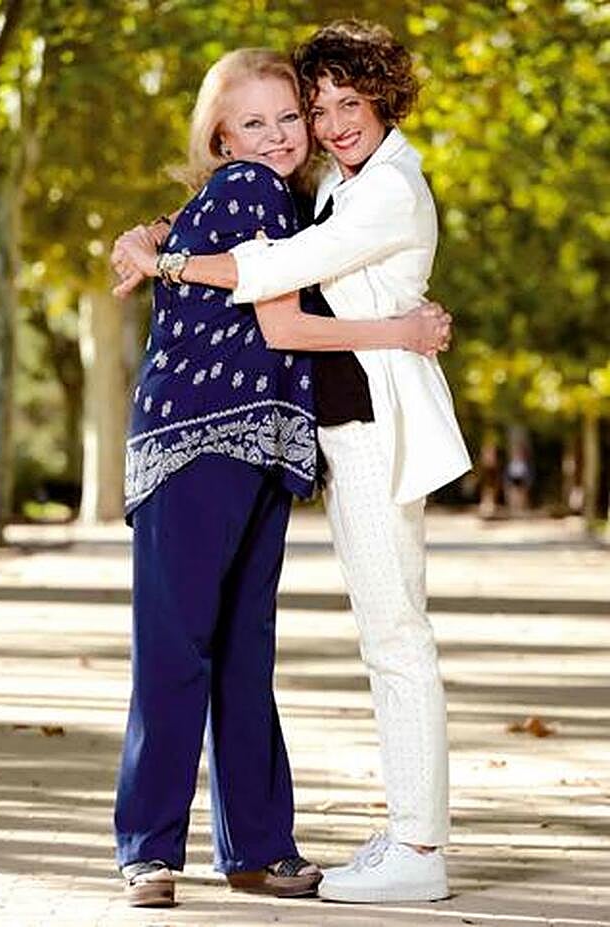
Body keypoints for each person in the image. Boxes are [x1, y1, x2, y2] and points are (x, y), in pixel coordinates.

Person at [114, 20, 472, 905]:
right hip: (197, 437)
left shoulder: (341, 193)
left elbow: (272, 263)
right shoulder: (264, 191)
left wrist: (159, 242)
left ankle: (279, 847)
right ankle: (153, 851)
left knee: (249, 650)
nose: (293, 132)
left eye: (298, 117)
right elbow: (277, 306)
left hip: (276, 441)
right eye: (286, 115)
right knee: (185, 648)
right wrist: (157, 244)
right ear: (220, 138)